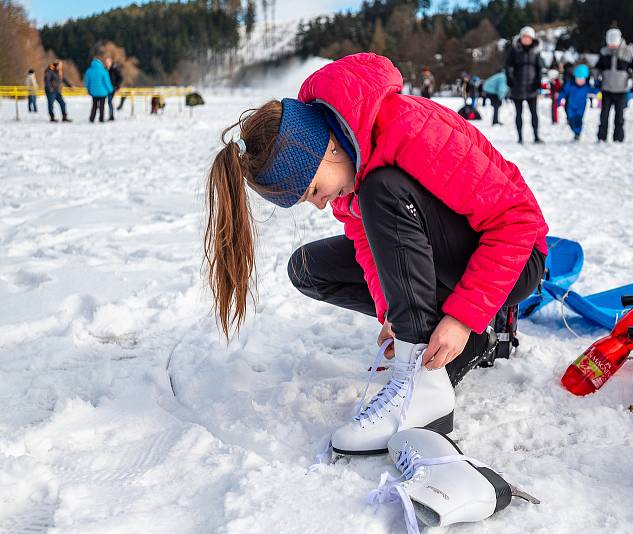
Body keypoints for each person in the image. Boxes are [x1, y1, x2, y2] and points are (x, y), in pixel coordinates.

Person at [203, 53, 549, 456]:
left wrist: (461, 317)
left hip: (515, 258)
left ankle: (425, 384)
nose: (319, 205)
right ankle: (439, 336)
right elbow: (370, 246)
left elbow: (517, 221)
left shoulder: (410, 128)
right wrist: (391, 313)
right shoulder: (351, 163)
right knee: (307, 268)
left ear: (329, 149)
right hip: (444, 259)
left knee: (381, 189)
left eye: (314, 190)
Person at [595, 28, 633, 142]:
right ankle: (601, 138)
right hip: (606, 89)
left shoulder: (628, 52)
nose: (612, 47)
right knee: (604, 116)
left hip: (621, 91)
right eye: (610, 45)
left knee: (619, 117)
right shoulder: (604, 52)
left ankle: (618, 138)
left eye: (614, 45)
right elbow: (597, 68)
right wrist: (596, 79)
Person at [505, 26, 545, 144]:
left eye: (529, 37)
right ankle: (520, 137)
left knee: (534, 113)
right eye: (524, 37)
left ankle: (536, 136)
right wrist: (510, 79)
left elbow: (540, 68)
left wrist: (539, 81)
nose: (526, 39)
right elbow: (508, 66)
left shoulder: (536, 52)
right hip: (517, 87)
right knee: (518, 113)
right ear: (521, 38)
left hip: (531, 87)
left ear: (532, 39)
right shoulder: (514, 50)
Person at [559, 64, 599, 141]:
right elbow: (563, 93)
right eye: (578, 78)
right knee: (570, 119)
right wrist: (559, 100)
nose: (580, 80)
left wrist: (597, 83)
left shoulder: (587, 87)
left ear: (585, 79)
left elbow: (595, 90)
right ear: (575, 77)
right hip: (570, 106)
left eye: (582, 78)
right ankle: (574, 130)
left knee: (579, 119)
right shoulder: (570, 85)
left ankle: (578, 133)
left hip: (581, 107)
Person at [84, 52, 114, 123]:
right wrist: (110, 90)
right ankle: (101, 118)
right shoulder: (104, 71)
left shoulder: (89, 71)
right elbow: (107, 82)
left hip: (93, 92)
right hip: (103, 92)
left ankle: (92, 118)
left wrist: (88, 89)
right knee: (102, 106)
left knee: (94, 105)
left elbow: (87, 82)